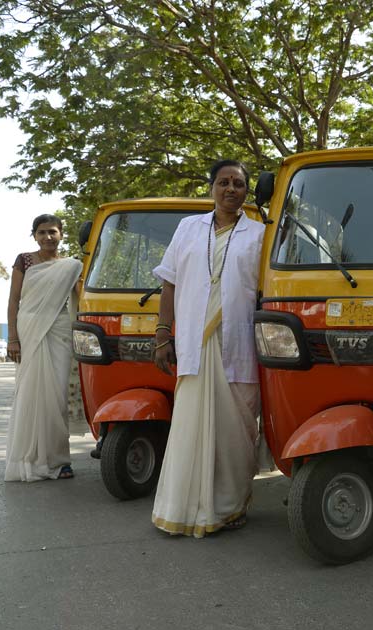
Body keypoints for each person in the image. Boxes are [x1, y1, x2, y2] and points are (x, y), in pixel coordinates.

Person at [150, 159, 264, 537]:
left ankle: (230, 507)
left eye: (238, 184)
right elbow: (169, 282)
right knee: (190, 428)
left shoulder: (260, 234)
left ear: (247, 191)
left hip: (239, 343)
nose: (231, 189)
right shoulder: (188, 228)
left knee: (237, 430)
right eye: (223, 182)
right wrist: (163, 333)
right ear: (211, 187)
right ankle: (181, 508)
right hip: (194, 343)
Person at [4, 214, 83, 482]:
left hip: (60, 329)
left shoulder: (72, 266)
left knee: (57, 397)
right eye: (41, 232)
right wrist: (13, 338)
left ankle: (60, 461)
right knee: (30, 393)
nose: (47, 237)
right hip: (30, 330)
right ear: (34, 236)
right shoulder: (24, 261)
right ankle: (30, 459)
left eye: (52, 232)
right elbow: (14, 301)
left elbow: (80, 301)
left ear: (61, 234)